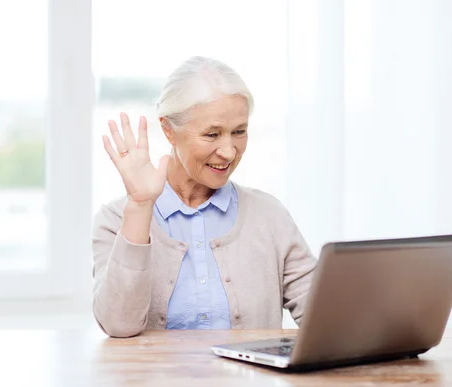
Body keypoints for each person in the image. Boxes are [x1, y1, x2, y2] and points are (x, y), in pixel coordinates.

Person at [92, 56, 316, 337]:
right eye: (212, 134)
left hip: (250, 382)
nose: (229, 151)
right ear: (168, 130)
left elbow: (328, 316)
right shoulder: (114, 220)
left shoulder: (269, 215)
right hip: (153, 382)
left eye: (239, 132)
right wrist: (139, 206)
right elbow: (118, 325)